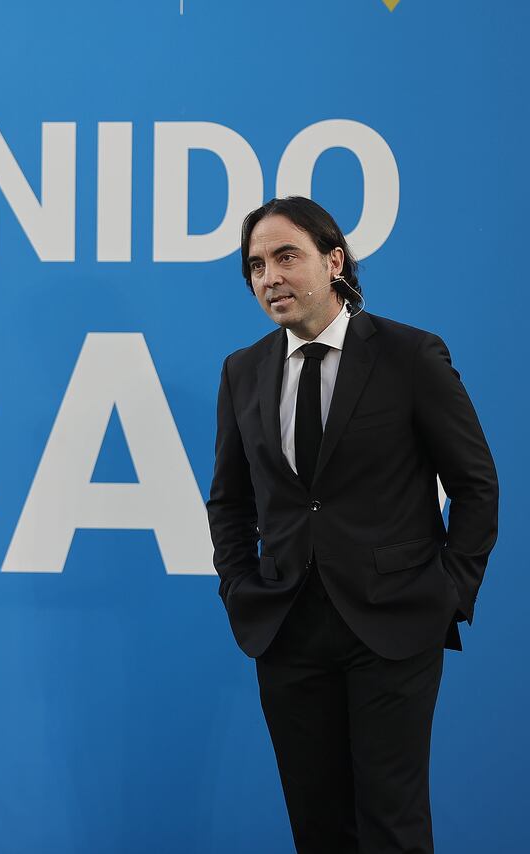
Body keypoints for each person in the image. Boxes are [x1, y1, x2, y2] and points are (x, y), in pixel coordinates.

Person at [207, 196, 498, 853]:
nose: (269, 277)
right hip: (285, 627)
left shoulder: (410, 355)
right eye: (256, 265)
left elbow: (476, 486)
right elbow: (229, 501)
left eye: (287, 256)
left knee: (392, 827)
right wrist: (240, 587)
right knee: (318, 829)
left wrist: (448, 593)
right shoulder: (242, 371)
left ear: (332, 260)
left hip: (393, 624)